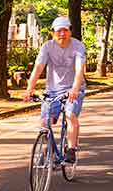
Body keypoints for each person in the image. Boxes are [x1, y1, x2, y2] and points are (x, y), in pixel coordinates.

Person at [24, 15, 86, 165]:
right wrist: (29, 89)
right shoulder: (47, 47)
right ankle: (47, 151)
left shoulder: (78, 46)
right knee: (45, 122)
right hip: (52, 90)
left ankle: (71, 150)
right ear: (53, 33)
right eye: (58, 31)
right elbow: (38, 68)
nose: (62, 34)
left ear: (70, 31)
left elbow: (79, 70)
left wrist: (75, 89)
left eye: (65, 30)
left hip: (73, 89)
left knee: (70, 115)